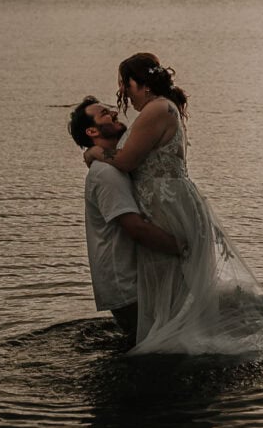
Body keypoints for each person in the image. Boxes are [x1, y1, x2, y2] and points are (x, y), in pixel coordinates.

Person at [83, 53, 263, 357]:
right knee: (173, 286)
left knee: (172, 278)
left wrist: (93, 153)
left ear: (142, 84)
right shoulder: (162, 108)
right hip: (168, 202)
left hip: (168, 205)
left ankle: (176, 348)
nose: (123, 95)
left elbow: (126, 160)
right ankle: (174, 339)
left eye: (126, 85)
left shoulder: (156, 109)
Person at [68, 96, 180, 344]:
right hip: (126, 285)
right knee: (155, 351)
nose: (113, 111)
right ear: (92, 130)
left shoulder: (112, 165)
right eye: (104, 113)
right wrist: (181, 248)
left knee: (154, 347)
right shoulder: (107, 174)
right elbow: (135, 228)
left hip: (133, 281)